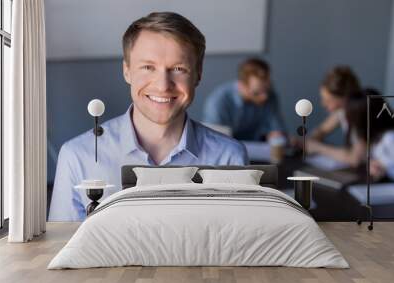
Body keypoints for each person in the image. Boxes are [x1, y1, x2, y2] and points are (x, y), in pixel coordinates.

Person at [49, 12, 248, 222]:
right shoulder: (77, 156)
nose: (162, 85)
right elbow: (62, 249)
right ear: (127, 71)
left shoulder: (229, 158)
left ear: (198, 73)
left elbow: (239, 248)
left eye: (179, 69)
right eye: (148, 67)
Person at [202, 58, 286, 141]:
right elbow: (214, 139)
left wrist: (278, 136)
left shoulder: (270, 95)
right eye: (256, 93)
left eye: (267, 89)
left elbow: (277, 130)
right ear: (241, 86)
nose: (264, 97)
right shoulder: (218, 101)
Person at [305, 66, 366, 166]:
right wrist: (306, 141)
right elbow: (322, 130)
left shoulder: (361, 114)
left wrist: (317, 148)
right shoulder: (342, 111)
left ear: (344, 98)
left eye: (328, 100)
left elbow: (355, 158)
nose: (323, 104)